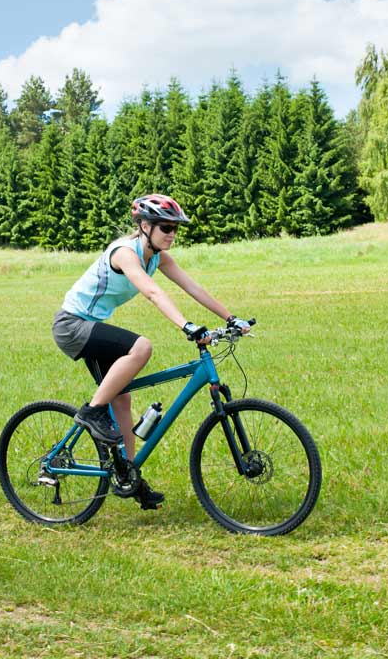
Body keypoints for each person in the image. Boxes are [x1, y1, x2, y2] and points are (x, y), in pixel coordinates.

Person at [52, 193, 252, 509]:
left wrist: (230, 318)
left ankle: (130, 476)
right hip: (72, 325)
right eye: (165, 227)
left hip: (91, 327)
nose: (171, 233)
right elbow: (152, 291)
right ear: (145, 226)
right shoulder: (124, 253)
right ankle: (91, 413)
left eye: (175, 228)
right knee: (141, 347)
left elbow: (193, 287)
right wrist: (186, 325)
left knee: (123, 398)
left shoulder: (158, 257)